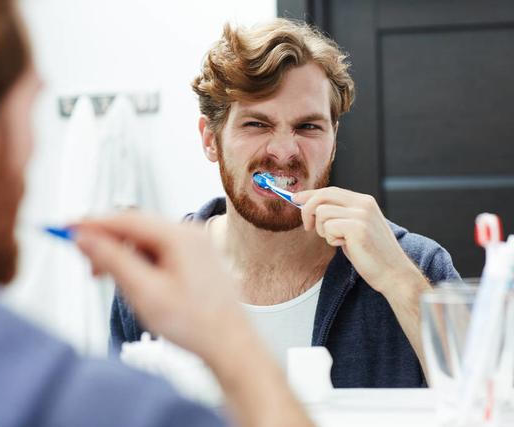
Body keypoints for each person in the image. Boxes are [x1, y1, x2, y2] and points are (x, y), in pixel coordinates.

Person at [0, 2, 314, 426]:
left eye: (309, 125)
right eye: (28, 113)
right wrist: (234, 345)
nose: (32, 150)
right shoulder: (72, 403)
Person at [110, 18, 460, 388]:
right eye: (256, 125)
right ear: (211, 139)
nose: (284, 151)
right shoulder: (149, 273)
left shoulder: (418, 265)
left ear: (333, 138)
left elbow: (493, 404)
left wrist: (400, 281)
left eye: (308, 127)